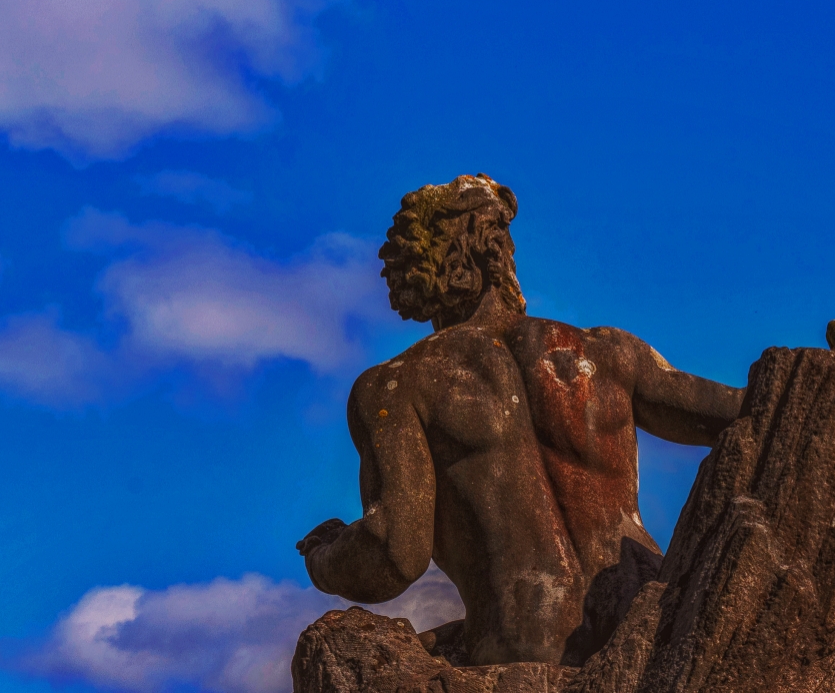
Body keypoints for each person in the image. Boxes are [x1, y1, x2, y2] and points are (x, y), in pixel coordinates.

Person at [296, 174, 743, 666]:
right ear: (501, 251)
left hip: (526, 650)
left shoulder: (399, 386)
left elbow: (393, 551)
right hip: (653, 628)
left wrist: (324, 559)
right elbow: (748, 409)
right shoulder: (608, 352)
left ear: (418, 275)